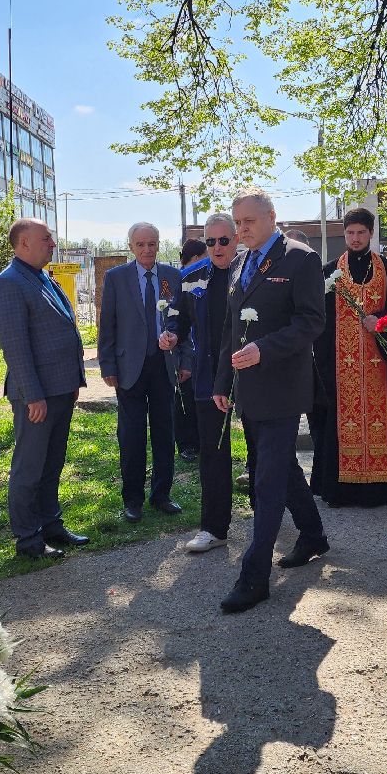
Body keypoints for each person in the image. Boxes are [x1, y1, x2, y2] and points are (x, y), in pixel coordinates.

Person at [213, 188, 330, 614]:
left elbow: (311, 321)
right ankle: (313, 534)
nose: (240, 230)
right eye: (237, 222)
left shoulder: (300, 258)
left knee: (266, 480)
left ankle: (254, 576)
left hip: (282, 386)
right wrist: (222, 382)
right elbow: (231, 327)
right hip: (248, 388)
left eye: (248, 222)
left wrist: (266, 348)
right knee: (274, 467)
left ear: (271, 217)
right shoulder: (240, 261)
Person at [0, 218, 88, 560]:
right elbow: (15, 347)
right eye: (46, 238)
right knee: (29, 468)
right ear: (23, 243)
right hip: (37, 397)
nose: (52, 244)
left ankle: (51, 525)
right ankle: (28, 539)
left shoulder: (41, 276)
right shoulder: (10, 283)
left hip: (59, 390)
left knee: (52, 463)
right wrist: (34, 396)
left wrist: (74, 381)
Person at [310, 207, 387, 508]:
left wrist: (380, 320)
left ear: (371, 233)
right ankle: (341, 490)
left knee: (382, 423)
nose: (355, 238)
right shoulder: (330, 272)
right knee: (339, 422)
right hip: (340, 365)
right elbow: (319, 319)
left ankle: (383, 490)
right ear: (345, 234)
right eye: (350, 233)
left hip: (378, 363)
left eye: (361, 233)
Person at [98, 223, 189, 522]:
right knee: (132, 435)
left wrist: (185, 360)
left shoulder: (173, 277)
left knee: (165, 432)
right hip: (129, 369)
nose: (147, 249)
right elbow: (107, 324)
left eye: (152, 244)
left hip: (164, 366)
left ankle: (162, 494)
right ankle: (132, 500)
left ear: (158, 244)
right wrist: (107, 364)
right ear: (131, 247)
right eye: (141, 245)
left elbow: (185, 323)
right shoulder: (116, 278)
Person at [164, 213, 239, 553]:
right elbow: (177, 317)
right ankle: (214, 528)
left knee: (271, 453)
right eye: (210, 242)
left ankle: (302, 524)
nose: (217, 247)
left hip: (252, 373)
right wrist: (170, 334)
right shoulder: (191, 276)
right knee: (213, 453)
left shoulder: (252, 271)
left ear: (236, 239)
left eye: (224, 240)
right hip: (209, 378)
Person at [174, 238, 209, 461]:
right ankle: (187, 444)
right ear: (196, 258)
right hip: (185, 356)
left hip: (199, 356)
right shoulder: (182, 282)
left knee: (196, 402)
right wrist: (184, 361)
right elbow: (180, 326)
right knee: (183, 402)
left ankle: (198, 442)